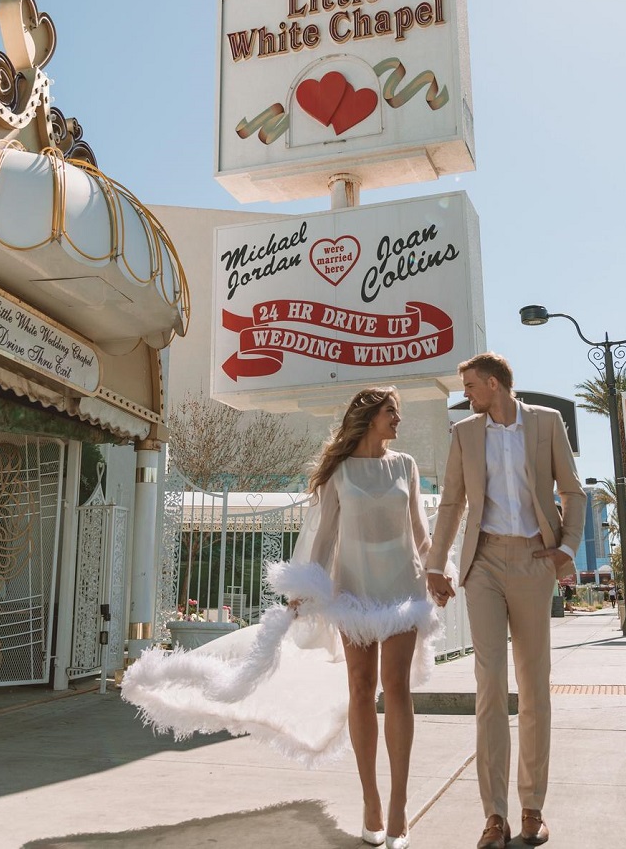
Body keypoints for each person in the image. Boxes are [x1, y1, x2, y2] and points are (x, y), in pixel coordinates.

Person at [122, 387, 437, 849]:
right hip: (353, 595)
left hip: (403, 592)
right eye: (393, 412)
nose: (398, 420)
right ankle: (371, 798)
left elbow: (421, 536)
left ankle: (398, 806)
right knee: (361, 689)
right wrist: (304, 590)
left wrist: (441, 571)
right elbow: (325, 540)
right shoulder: (340, 474)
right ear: (370, 417)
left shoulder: (406, 465)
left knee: (397, 688)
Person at [426, 353, 586, 849]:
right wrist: (437, 564)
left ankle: (532, 806)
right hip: (485, 564)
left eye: (471, 386)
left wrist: (564, 549)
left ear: (494, 384)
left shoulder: (545, 423)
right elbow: (453, 502)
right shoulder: (464, 434)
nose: (466, 395)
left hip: (536, 560)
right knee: (490, 684)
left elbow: (572, 491)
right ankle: (494, 815)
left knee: (535, 686)